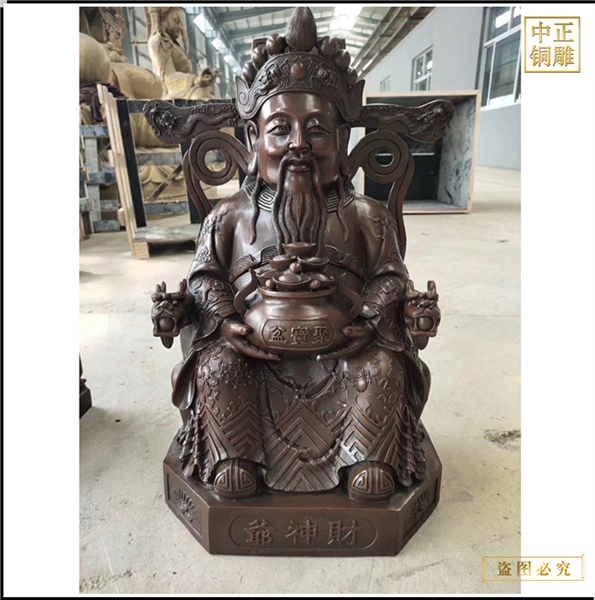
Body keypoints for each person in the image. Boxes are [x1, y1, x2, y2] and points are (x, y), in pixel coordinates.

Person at [151, 8, 438, 501]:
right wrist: (225, 321)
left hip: (344, 341)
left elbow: (390, 276)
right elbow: (204, 278)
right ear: (254, 139)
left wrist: (371, 318)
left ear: (340, 140)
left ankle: (366, 457)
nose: (298, 145)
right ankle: (236, 455)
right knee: (218, 366)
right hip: (252, 342)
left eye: (317, 130)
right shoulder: (229, 215)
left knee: (380, 367)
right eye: (280, 129)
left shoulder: (365, 215)